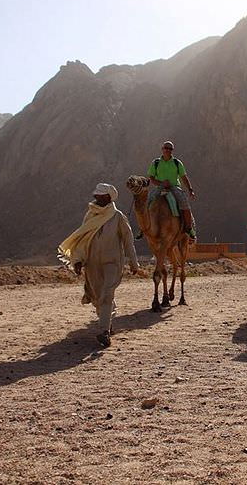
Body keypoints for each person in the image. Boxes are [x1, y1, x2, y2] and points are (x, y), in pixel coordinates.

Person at [58, 183, 139, 347]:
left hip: (112, 263)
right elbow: (82, 240)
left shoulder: (117, 217)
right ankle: (107, 320)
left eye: (101, 196)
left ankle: (104, 332)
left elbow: (128, 241)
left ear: (109, 197)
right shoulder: (90, 216)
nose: (98, 198)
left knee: (107, 293)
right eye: (97, 195)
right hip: (92, 264)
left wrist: (133, 262)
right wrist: (78, 260)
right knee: (97, 297)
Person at [148, 141, 197, 240]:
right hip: (160, 187)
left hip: (174, 187)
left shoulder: (177, 163)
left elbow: (184, 177)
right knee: (147, 202)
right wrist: (161, 183)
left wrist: (190, 189)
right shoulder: (156, 163)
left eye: (170, 149)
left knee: (185, 204)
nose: (167, 150)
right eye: (166, 148)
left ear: (172, 151)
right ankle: (144, 228)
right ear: (162, 149)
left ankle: (189, 228)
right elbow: (151, 178)